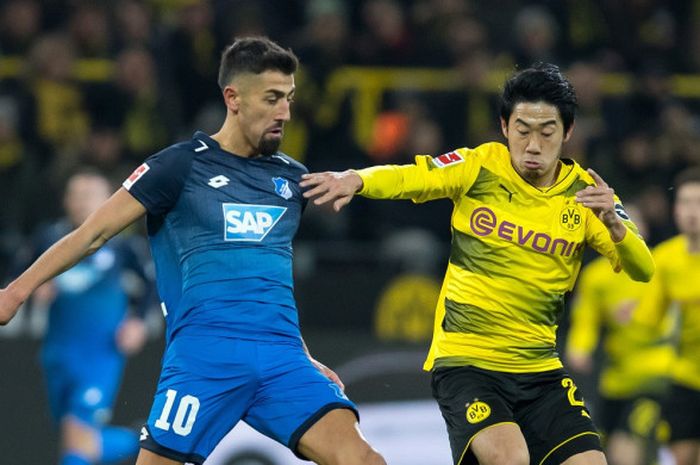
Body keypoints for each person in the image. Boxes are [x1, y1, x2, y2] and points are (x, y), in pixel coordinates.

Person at [0, 37, 386, 465]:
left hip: (282, 359)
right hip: (206, 357)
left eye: (290, 99)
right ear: (233, 98)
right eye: (273, 98)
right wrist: (15, 292)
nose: (285, 113)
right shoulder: (177, 166)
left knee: (364, 460)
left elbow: (266, 277)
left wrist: (304, 354)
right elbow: (92, 234)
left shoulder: (292, 180)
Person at [300, 62, 655, 465]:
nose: (533, 145)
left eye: (547, 132)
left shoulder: (590, 196)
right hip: (468, 362)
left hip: (540, 368)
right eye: (522, 130)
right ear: (505, 127)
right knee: (510, 458)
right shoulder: (479, 166)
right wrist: (358, 179)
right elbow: (414, 176)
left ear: (567, 133)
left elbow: (644, 269)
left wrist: (614, 223)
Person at [18, 169, 153, 465]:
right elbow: (17, 279)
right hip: (57, 352)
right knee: (77, 440)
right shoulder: (48, 238)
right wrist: (34, 289)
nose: (81, 202)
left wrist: (137, 321)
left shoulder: (122, 246)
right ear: (65, 200)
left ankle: (153, 443)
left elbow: (151, 286)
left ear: (107, 201)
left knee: (78, 436)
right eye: (76, 195)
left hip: (100, 352)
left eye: (89, 196)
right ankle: (145, 439)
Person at [565, 205, 673, 465]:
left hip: (657, 373)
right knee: (604, 450)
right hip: (615, 379)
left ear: (643, 230)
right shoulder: (596, 277)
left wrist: (644, 316)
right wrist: (579, 347)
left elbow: (677, 314)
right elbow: (585, 320)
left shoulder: (660, 266)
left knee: (629, 447)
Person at [631, 167, 700, 465]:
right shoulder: (664, 259)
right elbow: (646, 322)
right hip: (684, 376)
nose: (691, 212)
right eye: (684, 202)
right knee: (680, 456)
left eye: (698, 203)